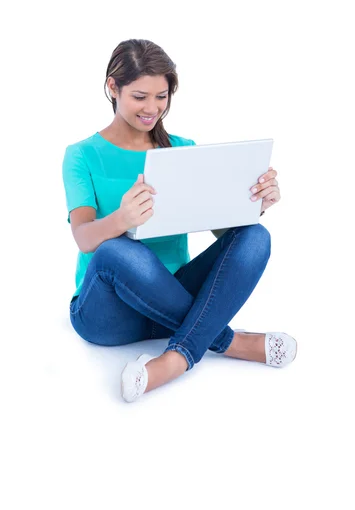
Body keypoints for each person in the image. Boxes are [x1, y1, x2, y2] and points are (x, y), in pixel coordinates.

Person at [62, 38, 297, 404]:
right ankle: (230, 341)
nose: (152, 108)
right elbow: (84, 237)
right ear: (113, 87)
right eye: (140, 96)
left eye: (162, 96)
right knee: (116, 251)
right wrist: (122, 219)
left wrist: (256, 204)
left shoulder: (182, 148)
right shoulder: (82, 155)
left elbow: (222, 232)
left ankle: (174, 358)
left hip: (170, 299)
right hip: (107, 314)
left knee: (255, 236)